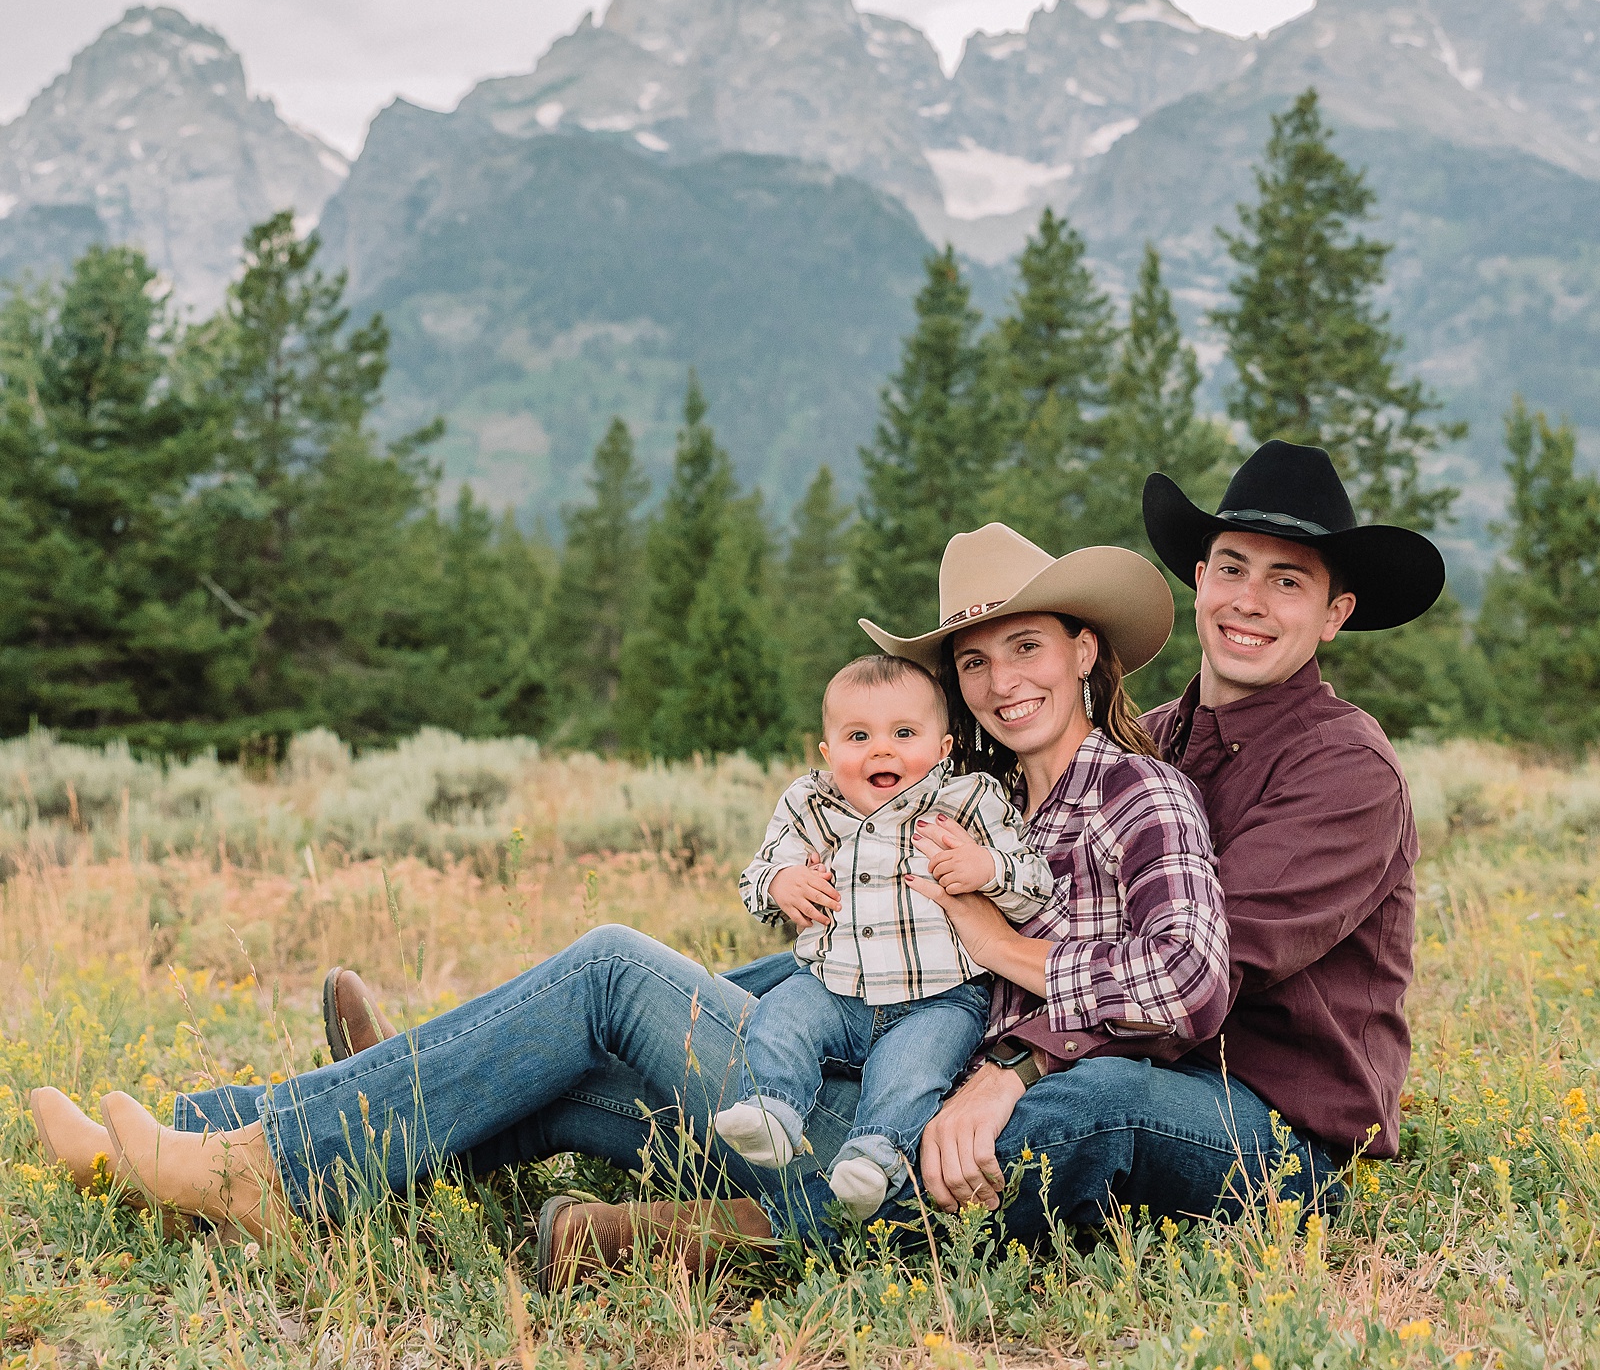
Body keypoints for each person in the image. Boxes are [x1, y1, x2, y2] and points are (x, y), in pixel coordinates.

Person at [27, 534, 1231, 1268]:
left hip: (902, 1149)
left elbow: (1187, 984)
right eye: (974, 659)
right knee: (572, 1063)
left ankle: (261, 1164)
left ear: (1085, 652)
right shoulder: (969, 794)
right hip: (851, 1087)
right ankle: (207, 1139)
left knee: (610, 971)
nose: (1001, 679)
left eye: (1027, 648)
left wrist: (995, 949)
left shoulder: (1137, 796)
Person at [911, 439, 1445, 1232]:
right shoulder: (1146, 741)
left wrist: (1020, 1060)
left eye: (1287, 580)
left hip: (1266, 1123)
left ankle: (814, 1215)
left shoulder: (1345, 767)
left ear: (1335, 613)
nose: (1248, 600)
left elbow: (1203, 968)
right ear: (1200, 580)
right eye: (1232, 568)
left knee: (1096, 1105)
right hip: (1115, 1061)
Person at [715, 651, 1053, 1215]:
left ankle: (874, 1157)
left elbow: (1036, 883)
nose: (881, 750)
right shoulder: (810, 804)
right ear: (828, 753)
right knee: (781, 1016)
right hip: (832, 986)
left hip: (940, 998)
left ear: (943, 749)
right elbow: (756, 878)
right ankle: (773, 1109)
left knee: (914, 1072)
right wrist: (781, 883)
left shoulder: (969, 800)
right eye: (858, 736)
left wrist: (987, 868)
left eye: (903, 733)